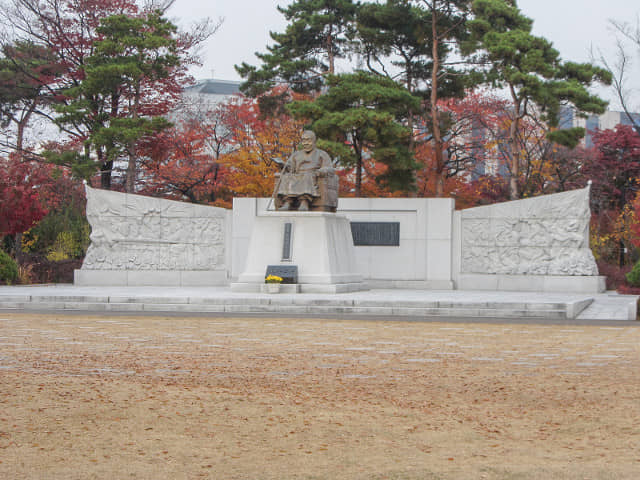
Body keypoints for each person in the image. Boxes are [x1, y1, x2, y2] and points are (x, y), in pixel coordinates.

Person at [275, 130, 335, 211]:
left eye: (308, 140)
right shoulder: (296, 155)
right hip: (297, 175)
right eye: (304, 140)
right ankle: (288, 201)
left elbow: (330, 168)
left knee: (307, 175)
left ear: (314, 141)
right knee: (286, 177)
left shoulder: (322, 154)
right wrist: (283, 166)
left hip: (312, 175)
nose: (306, 143)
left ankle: (304, 202)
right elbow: (290, 168)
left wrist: (322, 171)